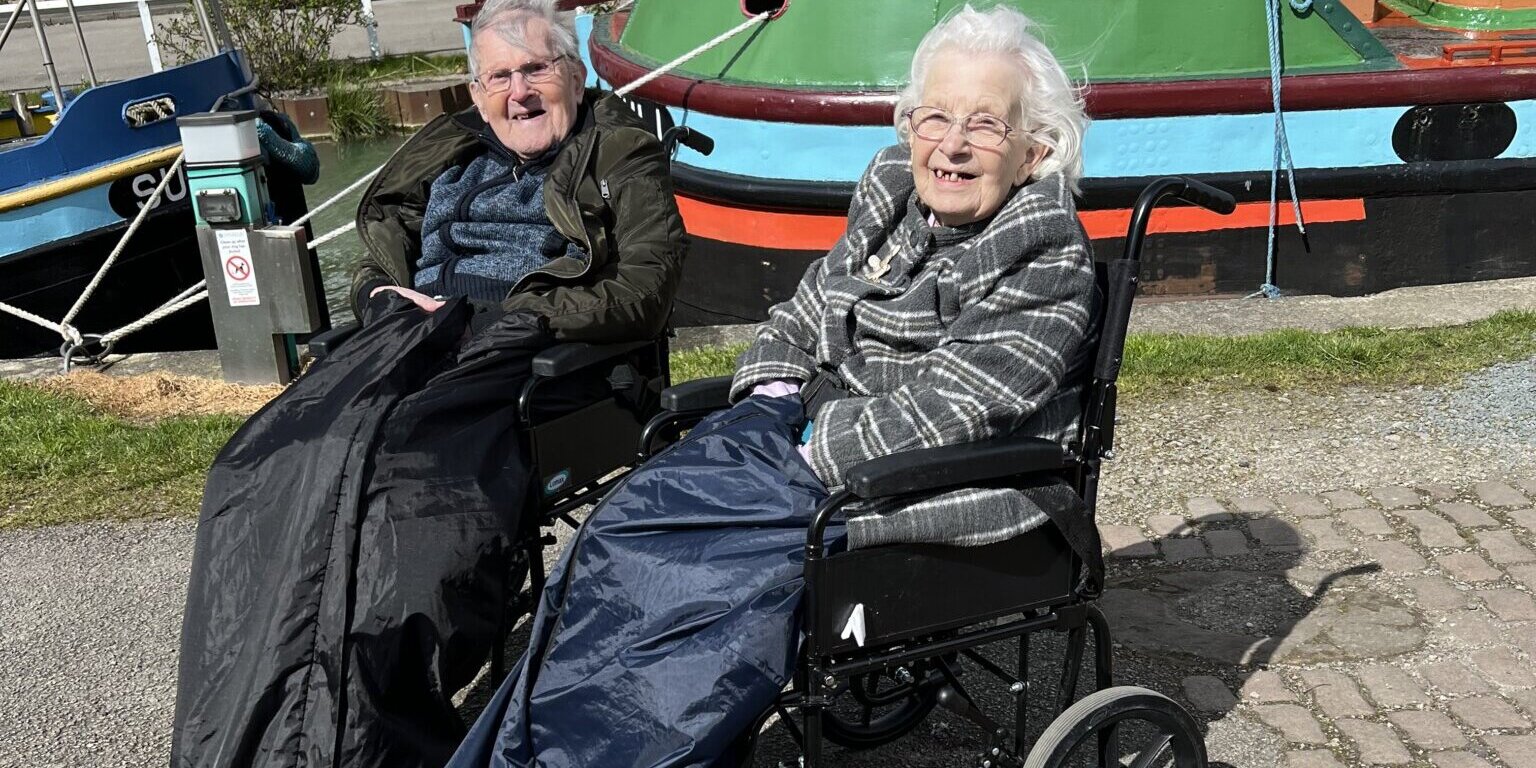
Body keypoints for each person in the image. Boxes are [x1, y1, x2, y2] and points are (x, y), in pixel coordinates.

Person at [445, 5, 1098, 767]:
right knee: (613, 535)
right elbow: (805, 310)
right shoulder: (894, 197)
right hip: (795, 436)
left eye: (985, 125)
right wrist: (770, 393)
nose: (951, 145)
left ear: (1034, 149)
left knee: (692, 589)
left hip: (891, 475)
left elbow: (955, 405)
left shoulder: (1046, 254)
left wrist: (814, 441)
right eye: (934, 117)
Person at [169, 2, 685, 767]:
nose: (520, 92)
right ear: (475, 92)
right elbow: (381, 251)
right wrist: (380, 295)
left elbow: (647, 287)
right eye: (499, 77)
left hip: (522, 347)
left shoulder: (617, 151)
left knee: (395, 495)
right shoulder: (446, 150)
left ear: (574, 73)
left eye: (537, 69)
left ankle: (364, 742)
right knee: (264, 460)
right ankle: (249, 734)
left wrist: (515, 314)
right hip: (407, 334)